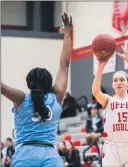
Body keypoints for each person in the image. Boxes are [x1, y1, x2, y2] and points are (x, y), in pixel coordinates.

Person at [1, 12, 73, 167]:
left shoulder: (21, 98)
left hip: (24, 155)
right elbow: (65, 64)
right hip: (50, 157)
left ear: (29, 83)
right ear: (49, 82)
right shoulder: (56, 97)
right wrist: (68, 34)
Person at [92, 43, 128, 167]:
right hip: (111, 148)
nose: (118, 82)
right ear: (112, 85)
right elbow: (95, 91)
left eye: (122, 80)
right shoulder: (108, 100)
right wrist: (100, 67)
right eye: (115, 80)